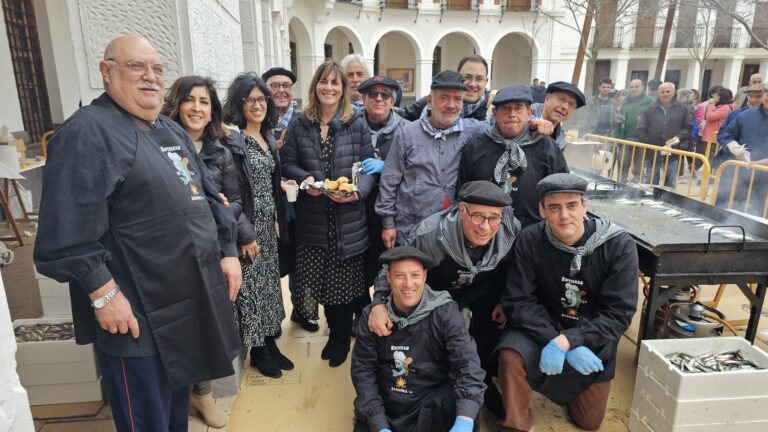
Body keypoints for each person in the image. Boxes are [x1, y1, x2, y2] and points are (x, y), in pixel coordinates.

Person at [33, 35, 242, 432]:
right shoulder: (88, 132)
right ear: (106, 71)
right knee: (148, 420)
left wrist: (228, 249)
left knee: (174, 414)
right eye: (135, 66)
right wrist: (103, 294)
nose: (150, 77)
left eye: (157, 68)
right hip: (135, 317)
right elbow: (65, 235)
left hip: (186, 306)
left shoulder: (169, 129)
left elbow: (209, 195)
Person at [496, 173, 639, 432]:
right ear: (542, 210)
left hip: (591, 334)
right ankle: (516, 424)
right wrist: (554, 338)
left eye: (572, 205)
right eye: (554, 207)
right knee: (511, 354)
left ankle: (569, 386)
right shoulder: (529, 240)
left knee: (589, 421)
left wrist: (570, 341)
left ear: (585, 206)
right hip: (542, 328)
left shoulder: (618, 245)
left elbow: (619, 314)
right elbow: (518, 301)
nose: (564, 215)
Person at [368, 181, 519, 418]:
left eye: (494, 218)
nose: (486, 227)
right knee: (435, 340)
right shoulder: (429, 235)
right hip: (438, 292)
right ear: (461, 210)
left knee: (487, 333)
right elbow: (393, 269)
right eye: (478, 216)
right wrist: (378, 303)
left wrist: (505, 300)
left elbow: (513, 268)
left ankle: (483, 383)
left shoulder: (509, 230)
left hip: (483, 288)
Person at [281, 60, 375, 367]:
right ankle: (331, 330)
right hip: (314, 217)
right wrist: (307, 180)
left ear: (343, 89)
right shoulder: (299, 122)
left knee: (345, 284)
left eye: (336, 83)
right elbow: (287, 163)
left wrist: (357, 191)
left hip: (347, 218)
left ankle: (338, 339)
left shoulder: (355, 121)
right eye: (324, 81)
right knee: (318, 281)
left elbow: (367, 167)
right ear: (315, 86)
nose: (329, 88)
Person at [161, 75, 242, 428]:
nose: (196, 108)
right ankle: (178, 395)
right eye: (189, 100)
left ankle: (203, 393)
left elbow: (235, 200)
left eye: (204, 102)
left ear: (213, 111)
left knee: (207, 322)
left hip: (210, 248)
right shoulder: (158, 142)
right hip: (172, 251)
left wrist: (221, 209)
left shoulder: (219, 151)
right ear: (176, 104)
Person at [353, 246, 486, 432]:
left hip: (431, 402)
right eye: (400, 276)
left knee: (467, 405)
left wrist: (464, 421)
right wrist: (379, 425)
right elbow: (363, 373)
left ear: (424, 276)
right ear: (389, 278)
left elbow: (468, 364)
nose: (408, 284)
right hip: (389, 405)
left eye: (415, 275)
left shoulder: (445, 312)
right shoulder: (372, 317)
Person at [221, 73, 295, 378]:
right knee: (251, 289)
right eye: (249, 99)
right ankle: (259, 350)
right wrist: (243, 233)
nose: (257, 104)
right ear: (239, 104)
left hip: (268, 226)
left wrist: (281, 185)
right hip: (248, 228)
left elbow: (262, 180)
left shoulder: (266, 136)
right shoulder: (232, 140)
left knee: (268, 286)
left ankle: (270, 341)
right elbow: (230, 191)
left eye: (261, 98)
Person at [376, 70, 486, 248]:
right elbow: (389, 181)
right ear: (430, 101)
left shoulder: (472, 130)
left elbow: (505, 127)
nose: (451, 105)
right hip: (411, 229)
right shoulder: (407, 134)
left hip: (452, 232)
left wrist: (536, 123)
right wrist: (388, 224)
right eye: (443, 98)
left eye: (457, 99)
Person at [457, 85, 569, 228]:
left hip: (532, 234)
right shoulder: (475, 147)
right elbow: (463, 194)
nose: (512, 114)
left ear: (529, 112)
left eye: (518, 108)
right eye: (505, 108)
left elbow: (562, 192)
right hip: (484, 232)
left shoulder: (547, 147)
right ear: (494, 113)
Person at [262, 66, 321, 333]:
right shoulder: (255, 122)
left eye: (286, 85)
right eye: (274, 86)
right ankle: (273, 317)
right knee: (271, 263)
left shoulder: (302, 122)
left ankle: (304, 310)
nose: (281, 90)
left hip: (298, 206)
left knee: (302, 262)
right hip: (267, 209)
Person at [356, 75, 409, 327]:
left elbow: (416, 169)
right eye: (372, 94)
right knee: (357, 265)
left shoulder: (407, 129)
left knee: (384, 261)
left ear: (393, 100)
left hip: (393, 212)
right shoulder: (351, 124)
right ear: (362, 98)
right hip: (356, 208)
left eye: (385, 95)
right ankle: (359, 314)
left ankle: (385, 311)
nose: (378, 99)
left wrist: (386, 166)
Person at [716, 84, 768, 215]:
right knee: (727, 213)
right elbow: (725, 134)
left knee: (757, 220)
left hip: (764, 182)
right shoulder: (746, 115)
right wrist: (733, 146)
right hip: (738, 174)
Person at [635, 82, 693, 187]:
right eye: (662, 92)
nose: (665, 94)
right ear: (658, 93)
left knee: (670, 183)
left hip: (673, 151)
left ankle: (668, 201)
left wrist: (678, 138)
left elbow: (688, 127)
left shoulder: (682, 108)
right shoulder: (650, 109)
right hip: (653, 151)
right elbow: (640, 129)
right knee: (651, 181)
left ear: (674, 92)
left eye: (668, 91)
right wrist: (649, 142)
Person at [402, 55, 492, 122]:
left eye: (479, 79)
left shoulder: (493, 106)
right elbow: (401, 115)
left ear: (486, 81)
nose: (472, 84)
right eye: (467, 77)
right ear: (458, 77)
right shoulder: (434, 101)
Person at [615, 79, 656, 182]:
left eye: (636, 86)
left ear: (642, 87)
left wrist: (650, 138)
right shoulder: (625, 101)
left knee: (639, 167)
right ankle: (620, 186)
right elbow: (619, 121)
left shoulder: (650, 102)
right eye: (632, 86)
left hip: (642, 140)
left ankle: (636, 190)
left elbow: (655, 122)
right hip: (626, 139)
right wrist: (618, 138)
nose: (634, 89)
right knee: (623, 164)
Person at [530, 81, 587, 150]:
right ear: (547, 98)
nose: (565, 107)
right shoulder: (525, 114)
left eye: (571, 104)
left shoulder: (561, 140)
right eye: (561, 99)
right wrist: (531, 123)